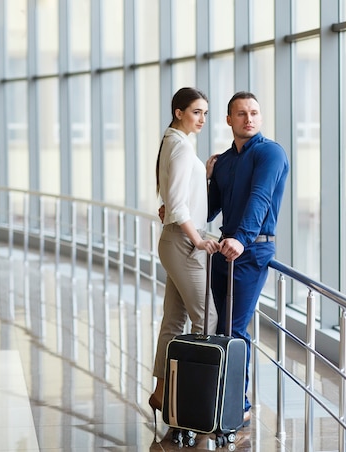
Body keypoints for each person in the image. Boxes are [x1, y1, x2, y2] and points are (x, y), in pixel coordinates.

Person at [207, 91, 289, 425]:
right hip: (225, 248)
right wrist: (206, 178)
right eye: (241, 114)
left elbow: (259, 198)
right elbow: (210, 208)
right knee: (221, 326)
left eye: (254, 112)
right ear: (229, 120)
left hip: (252, 249)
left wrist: (241, 239)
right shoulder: (225, 161)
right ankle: (218, 397)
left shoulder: (270, 153)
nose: (249, 119)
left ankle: (236, 404)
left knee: (235, 327)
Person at [148, 87, 220, 422]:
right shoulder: (178, 146)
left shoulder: (177, 143)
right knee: (207, 319)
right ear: (179, 112)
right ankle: (191, 395)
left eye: (205, 113)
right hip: (184, 242)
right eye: (196, 112)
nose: (202, 118)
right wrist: (200, 241)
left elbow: (175, 196)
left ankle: (164, 394)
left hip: (177, 240)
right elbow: (175, 206)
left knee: (174, 320)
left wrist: (201, 175)